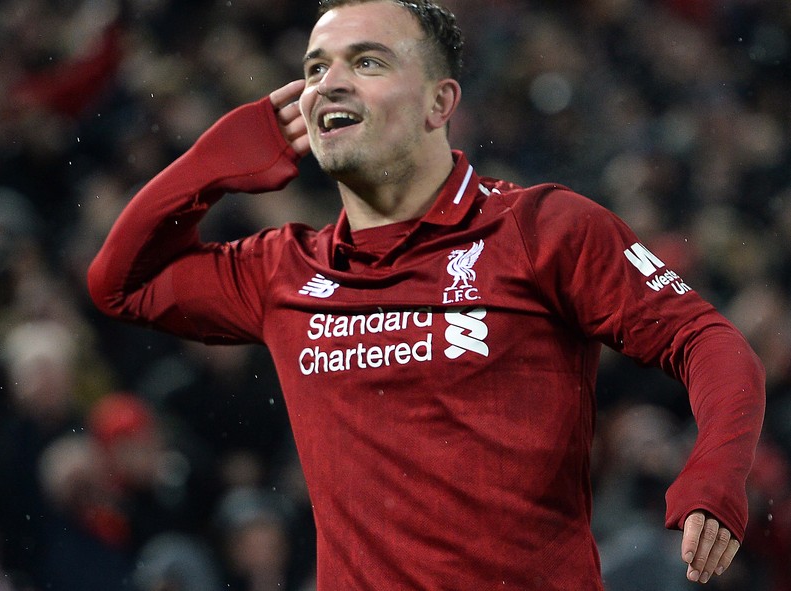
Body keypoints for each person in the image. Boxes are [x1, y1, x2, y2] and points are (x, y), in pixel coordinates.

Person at [87, 1, 766, 589]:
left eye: (367, 62)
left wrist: (716, 468)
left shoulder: (541, 228)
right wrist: (211, 164)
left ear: (439, 103)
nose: (328, 84)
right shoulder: (283, 270)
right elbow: (119, 283)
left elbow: (706, 340)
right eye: (316, 67)